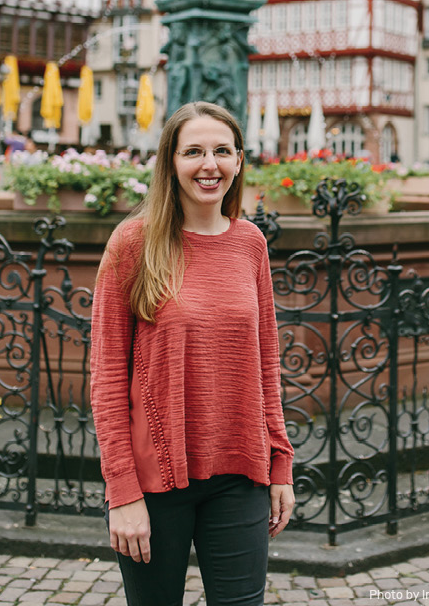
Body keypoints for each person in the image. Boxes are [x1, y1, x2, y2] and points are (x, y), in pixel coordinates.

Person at [90, 100, 294, 606]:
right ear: (170, 162)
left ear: (240, 161)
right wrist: (122, 493)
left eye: (223, 150)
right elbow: (108, 379)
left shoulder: (251, 244)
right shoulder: (134, 243)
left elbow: (267, 363)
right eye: (194, 152)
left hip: (241, 472)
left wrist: (281, 464)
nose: (210, 165)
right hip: (156, 481)